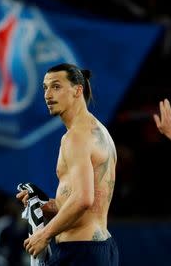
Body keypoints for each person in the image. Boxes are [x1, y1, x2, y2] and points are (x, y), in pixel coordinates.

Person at [16, 63, 119, 265]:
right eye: (45, 88)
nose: (47, 94)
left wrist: (44, 234)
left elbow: (83, 199)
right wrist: (45, 205)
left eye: (56, 86)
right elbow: (87, 203)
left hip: (80, 252)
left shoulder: (76, 137)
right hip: (98, 249)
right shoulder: (98, 131)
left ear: (77, 90)